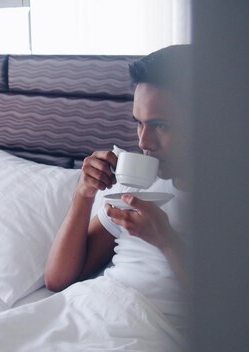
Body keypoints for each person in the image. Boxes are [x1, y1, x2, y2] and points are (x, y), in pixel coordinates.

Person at [45, 45, 192, 328]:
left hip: (151, 329)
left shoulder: (238, 196)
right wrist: (84, 194)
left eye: (160, 125)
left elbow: (237, 308)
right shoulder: (142, 184)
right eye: (138, 123)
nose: (144, 142)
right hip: (97, 309)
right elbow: (57, 279)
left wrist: (166, 239)